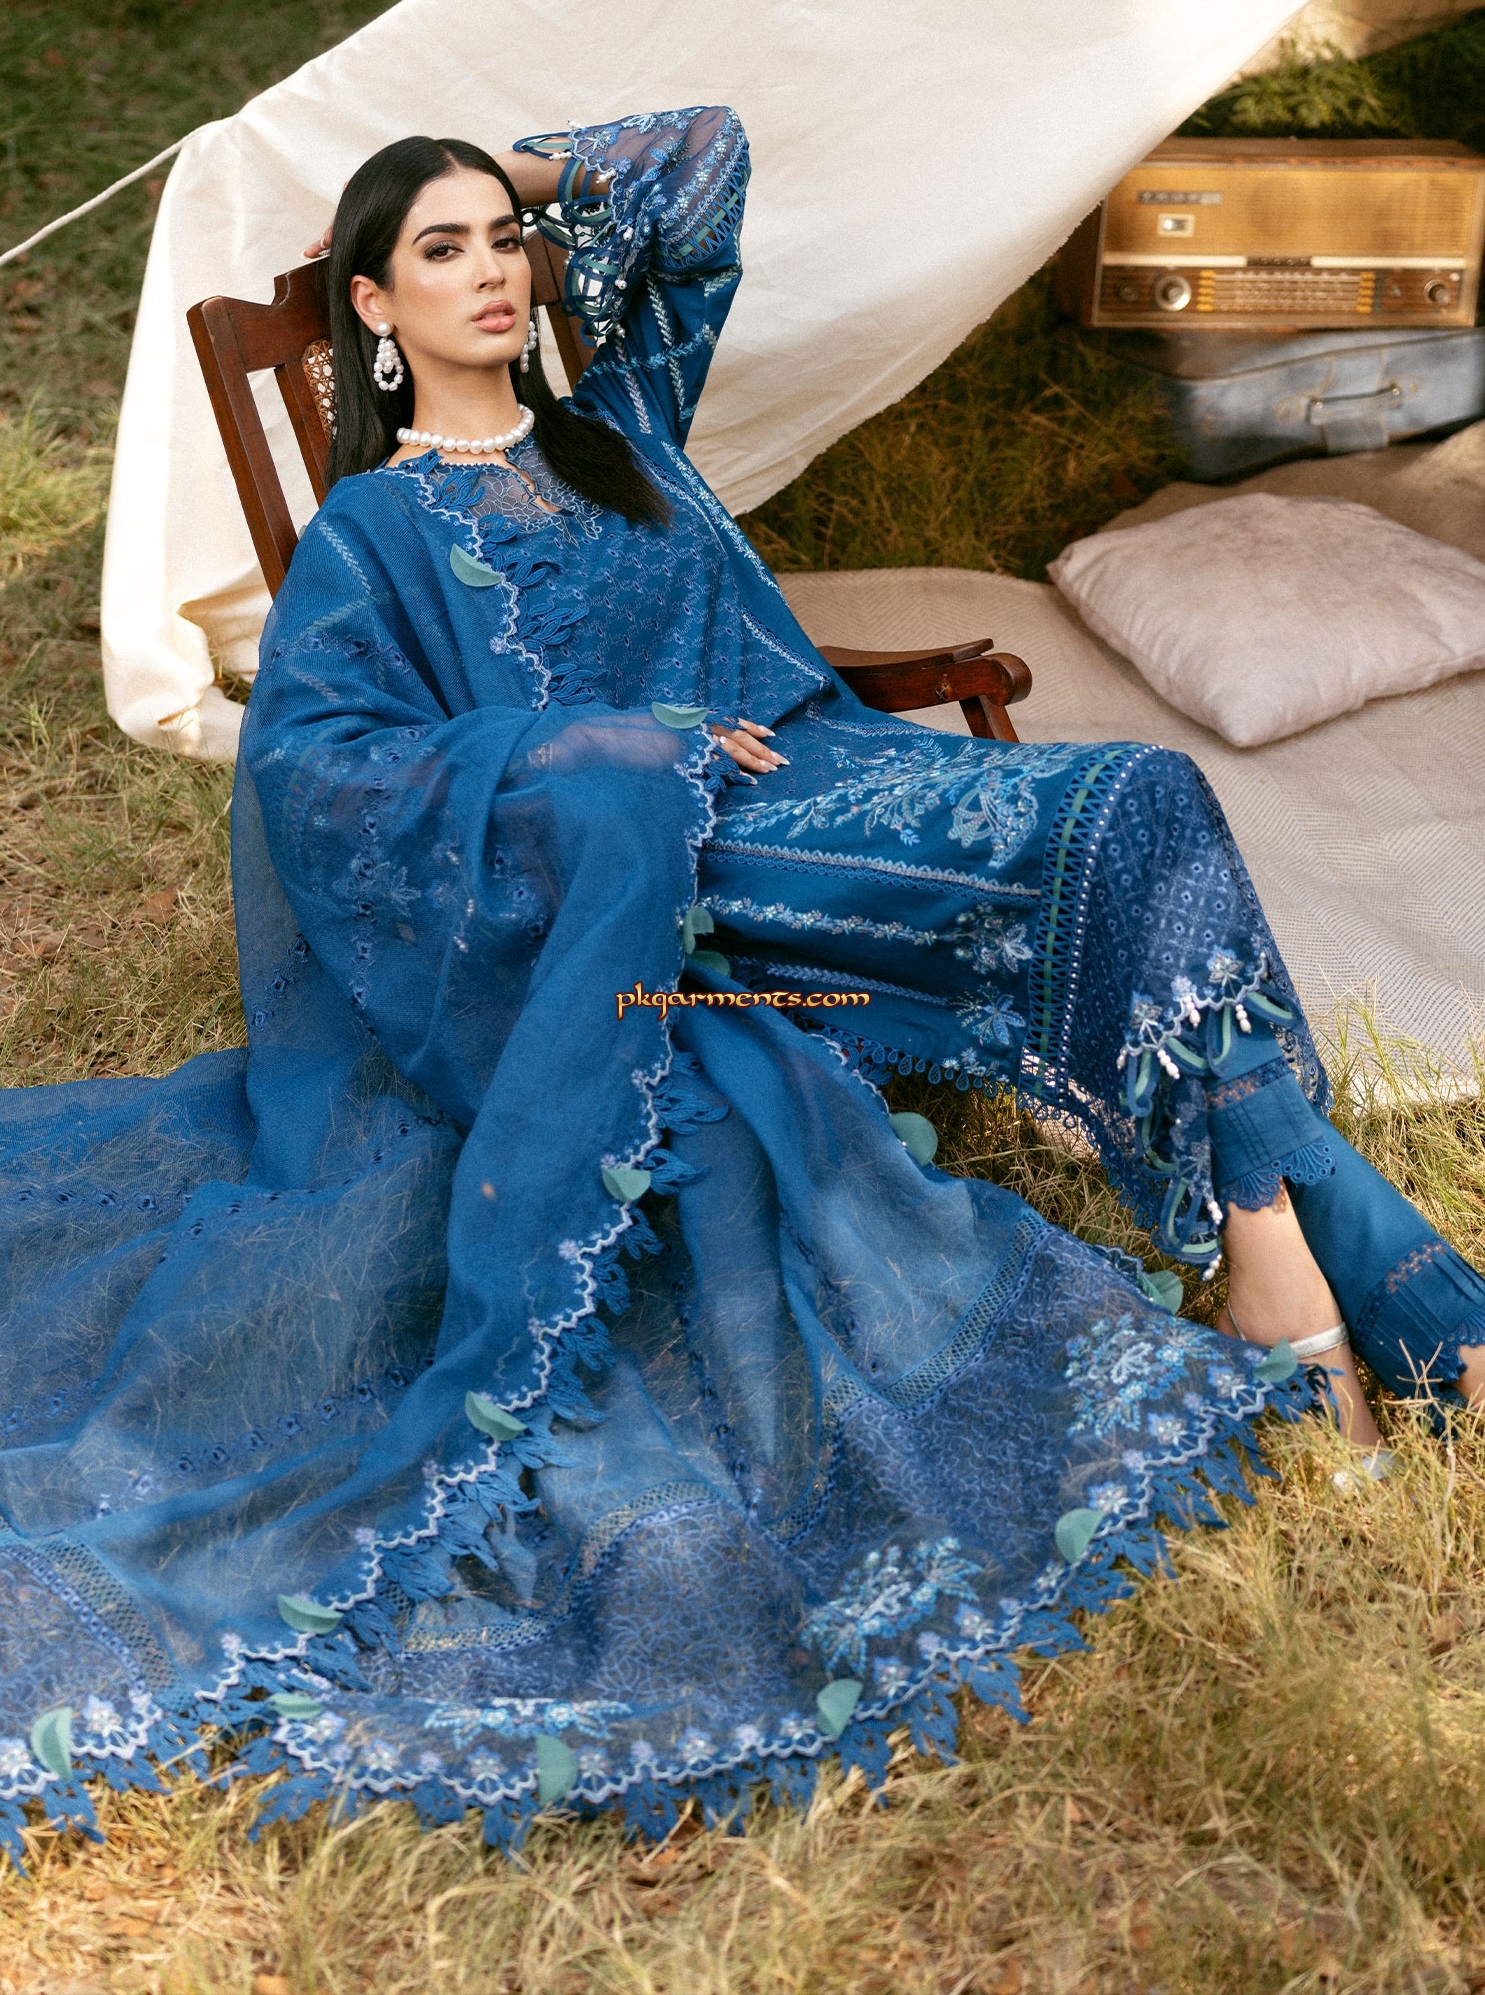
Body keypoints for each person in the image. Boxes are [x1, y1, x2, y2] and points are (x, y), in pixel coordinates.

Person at [0, 105, 1481, 1856]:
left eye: (502, 241)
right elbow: (322, 773)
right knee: (1128, 825)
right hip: (679, 851)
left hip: (833, 770)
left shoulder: (619, 421)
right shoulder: (375, 534)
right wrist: (605, 749)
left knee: (1134, 821)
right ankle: (1347, 1303)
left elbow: (698, 159)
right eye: (439, 253)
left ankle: (1280, 1266)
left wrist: (504, 173)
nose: (491, 273)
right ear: (372, 310)